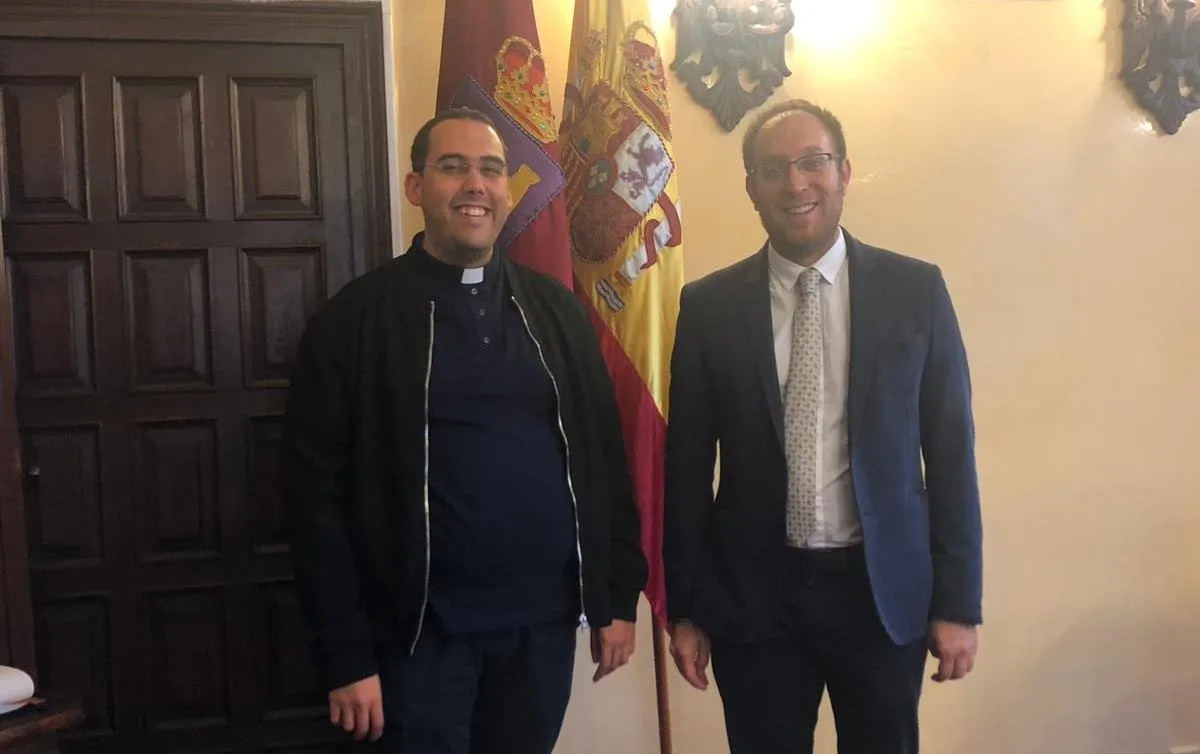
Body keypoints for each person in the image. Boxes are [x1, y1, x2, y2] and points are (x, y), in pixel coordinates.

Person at [282, 107, 647, 754]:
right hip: (418, 638)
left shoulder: (557, 312)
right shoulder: (354, 321)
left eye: (491, 169)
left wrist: (617, 596)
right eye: (453, 168)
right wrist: (345, 654)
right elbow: (314, 503)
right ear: (416, 187)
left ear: (509, 189)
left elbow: (602, 462)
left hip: (541, 628)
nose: (475, 185)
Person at [663, 98, 983, 754]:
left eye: (813, 162)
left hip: (879, 594)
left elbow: (951, 456)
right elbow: (687, 470)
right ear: (751, 188)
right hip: (756, 601)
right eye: (773, 169)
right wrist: (685, 607)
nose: (795, 183)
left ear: (843, 173)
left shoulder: (915, 292)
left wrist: (957, 603)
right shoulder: (708, 306)